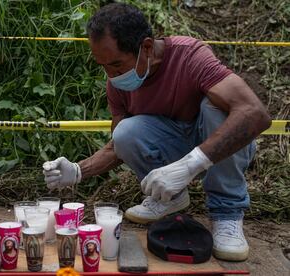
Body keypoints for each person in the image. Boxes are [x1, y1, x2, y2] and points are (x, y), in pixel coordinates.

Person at [42, 3, 271, 262]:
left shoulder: (190, 56)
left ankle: (227, 213)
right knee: (126, 131)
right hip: (177, 147)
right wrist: (79, 170)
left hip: (215, 147)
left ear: (147, 47)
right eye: (102, 65)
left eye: (116, 64)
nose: (111, 74)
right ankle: (169, 197)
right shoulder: (118, 83)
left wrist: (190, 165)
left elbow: (254, 113)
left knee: (218, 109)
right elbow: (119, 143)